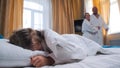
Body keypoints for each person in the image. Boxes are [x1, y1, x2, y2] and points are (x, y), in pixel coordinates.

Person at [9, 28, 102, 67]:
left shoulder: (48, 35)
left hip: (82, 43)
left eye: (33, 45)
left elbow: (76, 52)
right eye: (30, 49)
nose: (34, 50)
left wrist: (49, 60)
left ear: (34, 36)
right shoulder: (37, 45)